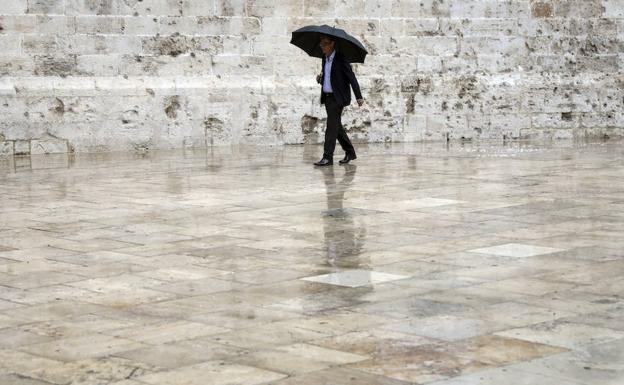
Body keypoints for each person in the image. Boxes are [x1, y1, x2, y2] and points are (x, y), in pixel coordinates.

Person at [314, 35, 364, 167]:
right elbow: (329, 78)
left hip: (338, 98)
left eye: (324, 44)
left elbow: (352, 78)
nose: (322, 47)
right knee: (337, 127)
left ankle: (327, 157)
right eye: (321, 44)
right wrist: (320, 79)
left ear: (332, 44)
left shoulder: (341, 59)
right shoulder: (324, 59)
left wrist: (358, 96)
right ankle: (350, 152)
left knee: (331, 126)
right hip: (328, 97)